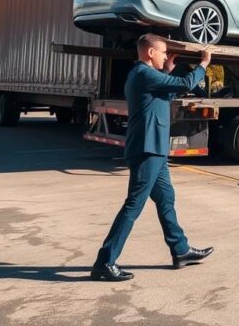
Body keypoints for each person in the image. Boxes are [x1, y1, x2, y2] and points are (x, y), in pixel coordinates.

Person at [91, 34, 214, 281]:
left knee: (166, 198)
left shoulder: (146, 77)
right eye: (163, 53)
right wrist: (203, 64)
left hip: (154, 148)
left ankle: (180, 251)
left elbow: (165, 95)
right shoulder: (143, 74)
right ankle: (105, 262)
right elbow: (186, 84)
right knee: (134, 205)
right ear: (150, 53)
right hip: (147, 149)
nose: (166, 56)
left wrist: (168, 70)